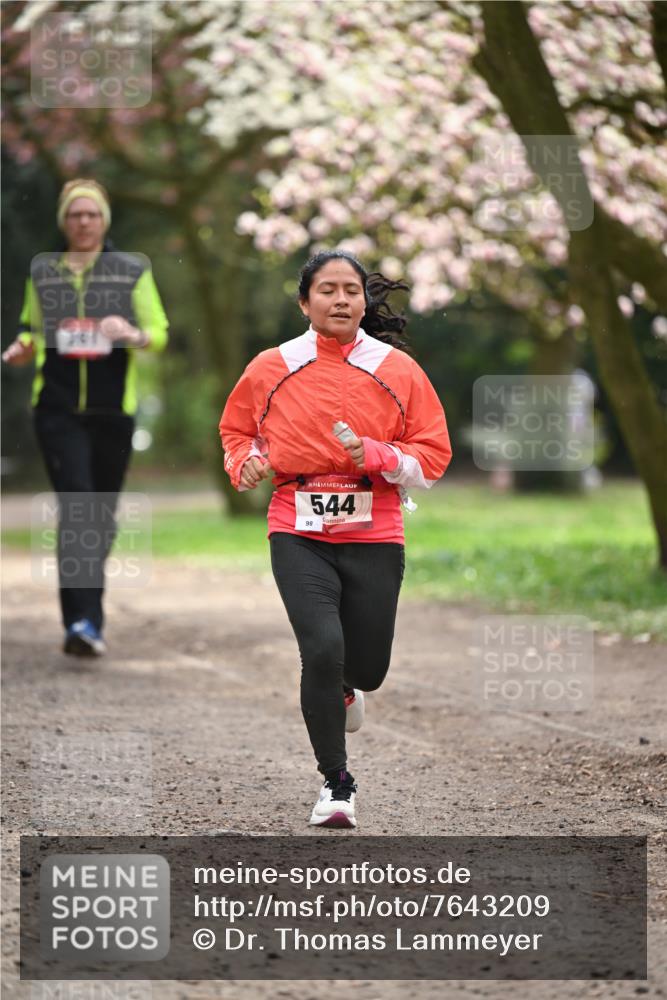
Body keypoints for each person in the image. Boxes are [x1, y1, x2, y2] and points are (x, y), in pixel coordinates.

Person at [219, 249, 452, 829]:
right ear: (305, 302)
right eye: (327, 290)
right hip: (297, 528)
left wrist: (375, 454)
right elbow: (238, 431)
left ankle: (349, 686)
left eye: (351, 290)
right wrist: (244, 463)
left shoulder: (398, 370)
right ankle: (336, 784)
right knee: (322, 648)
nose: (341, 299)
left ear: (364, 302)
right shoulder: (271, 366)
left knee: (366, 668)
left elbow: (432, 455)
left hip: (375, 529)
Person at [2, 178, 168, 656]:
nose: (83, 222)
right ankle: (82, 621)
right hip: (56, 409)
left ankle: (87, 615)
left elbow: (158, 332)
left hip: (113, 409)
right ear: (64, 222)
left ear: (103, 221)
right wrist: (22, 347)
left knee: (101, 517)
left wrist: (131, 333)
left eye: (91, 214)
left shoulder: (130, 270)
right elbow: (31, 328)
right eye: (75, 214)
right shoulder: (44, 271)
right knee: (78, 506)